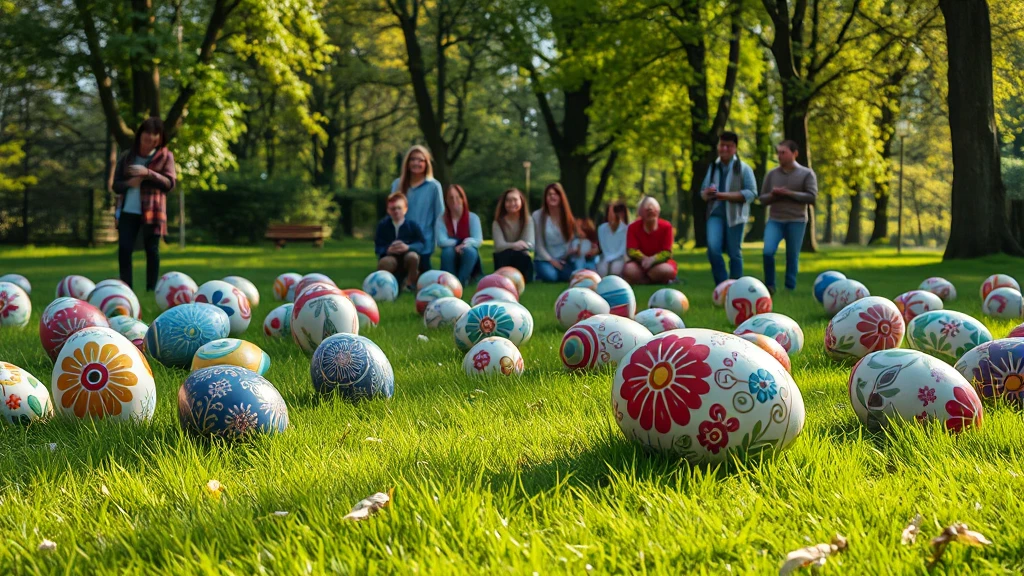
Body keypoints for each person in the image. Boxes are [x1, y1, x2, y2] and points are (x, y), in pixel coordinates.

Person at [112, 117, 176, 292]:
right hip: (128, 211)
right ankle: (126, 288)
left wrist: (149, 173)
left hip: (153, 211)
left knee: (152, 250)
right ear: (140, 135)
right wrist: (129, 184)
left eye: (155, 135)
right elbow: (115, 185)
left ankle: (151, 289)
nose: (151, 139)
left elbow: (170, 183)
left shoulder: (165, 156)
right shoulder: (127, 156)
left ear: (160, 137)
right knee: (124, 249)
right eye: (147, 134)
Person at [760, 140, 819, 293]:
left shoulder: (807, 174)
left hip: (797, 220)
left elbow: (812, 197)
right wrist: (773, 195)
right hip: (775, 220)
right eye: (778, 152)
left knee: (792, 256)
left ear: (795, 153)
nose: (779, 156)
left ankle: (789, 288)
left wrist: (789, 193)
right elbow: (762, 199)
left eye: (783, 152)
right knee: (768, 251)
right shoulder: (772, 174)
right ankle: (769, 286)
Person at [700, 131, 757, 285]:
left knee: (734, 253)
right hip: (715, 215)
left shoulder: (744, 168)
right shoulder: (713, 167)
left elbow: (752, 193)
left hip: (736, 216)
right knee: (713, 250)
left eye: (728, 146)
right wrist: (706, 193)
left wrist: (725, 196)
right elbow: (703, 193)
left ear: (735, 148)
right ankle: (722, 285)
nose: (724, 149)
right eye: (722, 145)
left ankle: (736, 287)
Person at [391, 145, 444, 273]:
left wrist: (440, 240)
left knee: (423, 278)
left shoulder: (434, 186)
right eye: (413, 159)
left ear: (426, 164)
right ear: (407, 162)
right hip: (401, 239)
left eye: (421, 160)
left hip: (424, 241)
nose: (416, 163)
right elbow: (392, 213)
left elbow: (440, 215)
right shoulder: (397, 184)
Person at [375, 192, 426, 290]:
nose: (396, 211)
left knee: (413, 256)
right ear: (388, 210)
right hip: (391, 257)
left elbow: (421, 244)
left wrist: (408, 247)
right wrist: (387, 250)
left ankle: (410, 284)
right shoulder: (383, 226)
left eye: (399, 208)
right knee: (384, 262)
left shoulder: (413, 225)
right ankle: (385, 285)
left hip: (408, 256)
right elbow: (378, 247)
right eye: (393, 209)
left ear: (405, 209)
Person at [623, 196, 678, 285]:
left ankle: (643, 280)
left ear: (658, 211)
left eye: (653, 209)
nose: (650, 210)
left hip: (659, 264)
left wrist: (653, 259)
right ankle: (654, 280)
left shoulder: (666, 226)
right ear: (640, 213)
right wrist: (644, 259)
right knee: (629, 269)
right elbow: (631, 250)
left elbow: (667, 252)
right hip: (640, 264)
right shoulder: (633, 227)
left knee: (667, 270)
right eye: (647, 209)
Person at [436, 184, 482, 285]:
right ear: (446, 201)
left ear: (463, 199)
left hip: (466, 249)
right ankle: (450, 282)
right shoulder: (442, 219)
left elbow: (477, 240)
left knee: (470, 251)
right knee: (447, 251)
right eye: (451, 198)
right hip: (450, 250)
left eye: (457, 197)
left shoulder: (473, 218)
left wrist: (463, 244)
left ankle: (461, 281)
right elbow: (441, 241)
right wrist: (457, 243)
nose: (454, 201)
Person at [532, 183, 579, 282]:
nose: (552, 196)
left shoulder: (567, 217)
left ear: (561, 197)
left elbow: (572, 240)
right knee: (552, 277)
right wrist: (552, 261)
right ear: (545, 198)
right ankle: (539, 272)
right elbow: (538, 245)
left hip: (564, 259)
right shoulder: (538, 216)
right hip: (545, 258)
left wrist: (566, 256)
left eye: (556, 194)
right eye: (549, 194)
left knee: (568, 276)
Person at [492, 187, 535, 281]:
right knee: (505, 253)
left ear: (521, 201)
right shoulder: (498, 222)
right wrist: (515, 244)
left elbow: (529, 243)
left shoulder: (528, 220)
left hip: (521, 256)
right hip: (504, 258)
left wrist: (511, 246)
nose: (512, 203)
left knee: (523, 255)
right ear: (504, 203)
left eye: (515, 200)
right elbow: (499, 246)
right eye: (508, 200)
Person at [597, 201, 630, 276]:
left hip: (620, 258)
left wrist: (612, 259)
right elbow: (604, 247)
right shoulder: (601, 229)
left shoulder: (626, 229)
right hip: (606, 257)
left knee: (615, 270)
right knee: (602, 271)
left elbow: (622, 249)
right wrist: (608, 260)